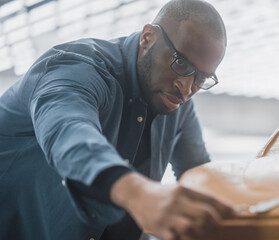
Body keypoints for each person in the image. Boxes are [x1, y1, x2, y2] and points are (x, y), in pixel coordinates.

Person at [0, 0, 234, 239]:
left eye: (202, 78)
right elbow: (70, 134)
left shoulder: (178, 104)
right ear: (148, 37)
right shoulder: (75, 68)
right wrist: (139, 195)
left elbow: (200, 174)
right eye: (180, 63)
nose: (186, 88)